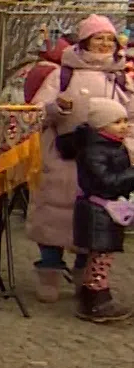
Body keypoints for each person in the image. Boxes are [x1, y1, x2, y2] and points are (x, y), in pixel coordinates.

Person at [28, 16, 132, 301]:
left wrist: (128, 151)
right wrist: (55, 110)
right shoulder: (62, 74)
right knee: (54, 214)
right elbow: (34, 112)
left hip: (103, 163)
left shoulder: (122, 78)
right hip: (62, 157)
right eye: (98, 38)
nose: (104, 44)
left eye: (109, 39)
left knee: (93, 218)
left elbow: (132, 119)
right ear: (85, 41)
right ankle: (49, 270)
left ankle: (83, 273)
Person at [68, 98, 134, 323]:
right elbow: (105, 181)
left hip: (108, 211)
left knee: (102, 258)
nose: (124, 126)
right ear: (101, 125)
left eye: (125, 120)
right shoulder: (95, 151)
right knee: (100, 259)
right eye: (117, 122)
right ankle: (95, 301)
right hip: (99, 212)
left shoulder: (113, 146)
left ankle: (94, 296)